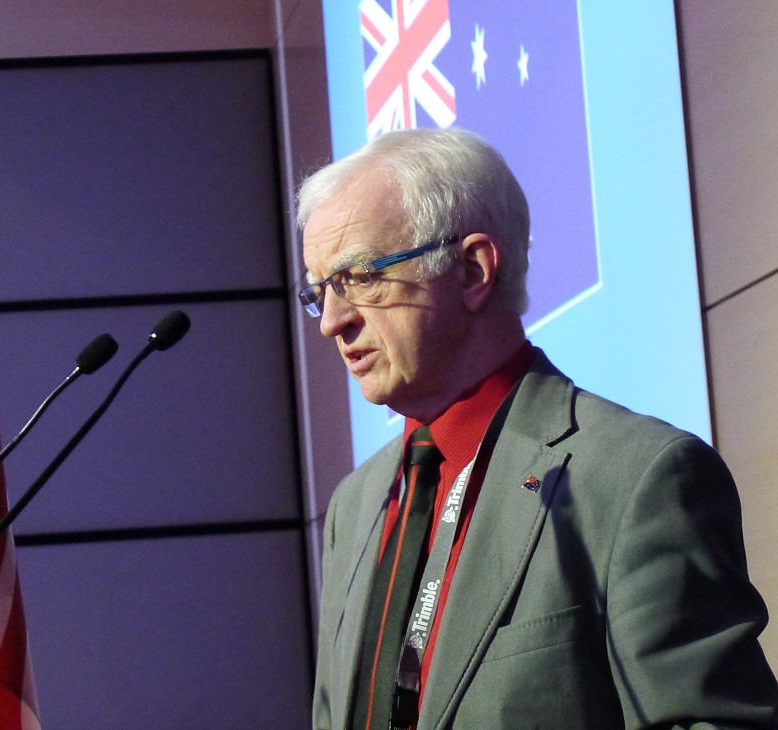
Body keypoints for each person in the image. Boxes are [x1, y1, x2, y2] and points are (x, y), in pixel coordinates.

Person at [298, 127, 778, 730]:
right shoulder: (356, 505)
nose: (332, 321)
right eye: (321, 291)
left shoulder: (636, 478)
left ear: (472, 270)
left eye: (361, 277)